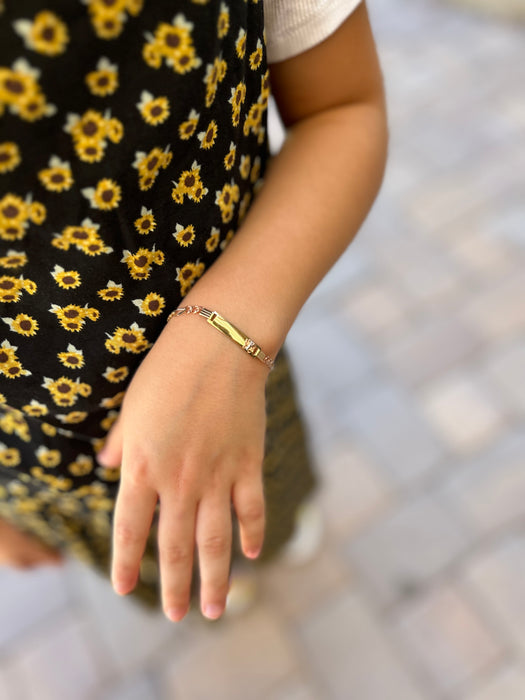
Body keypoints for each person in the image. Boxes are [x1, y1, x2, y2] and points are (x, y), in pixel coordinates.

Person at [0, 0, 388, 621]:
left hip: (230, 382)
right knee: (162, 567)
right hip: (23, 464)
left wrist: (228, 335)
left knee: (266, 507)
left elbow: (343, 108)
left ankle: (272, 540)